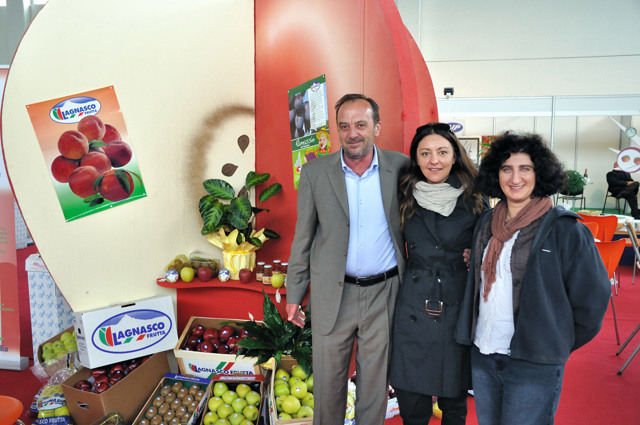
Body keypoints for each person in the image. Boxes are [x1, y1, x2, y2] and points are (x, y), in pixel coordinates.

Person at [455, 132, 611, 425]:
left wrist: (553, 342)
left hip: (533, 362)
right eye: (507, 169)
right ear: (496, 174)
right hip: (484, 352)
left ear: (539, 173)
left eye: (525, 168)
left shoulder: (566, 229)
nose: (515, 178)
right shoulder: (486, 223)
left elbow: (592, 300)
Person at [286, 93, 408, 425]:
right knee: (327, 387)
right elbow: (303, 237)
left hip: (384, 293)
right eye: (344, 126)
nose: (352, 133)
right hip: (332, 294)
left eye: (361, 125)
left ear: (377, 127)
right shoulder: (315, 172)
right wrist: (294, 294)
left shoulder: (401, 167)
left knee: (375, 388)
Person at [390, 122, 486, 425]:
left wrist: (477, 254)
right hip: (413, 300)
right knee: (411, 399)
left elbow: (490, 241)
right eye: (426, 153)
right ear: (416, 159)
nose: (434, 160)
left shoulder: (475, 197)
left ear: (455, 156)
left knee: (454, 400)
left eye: (442, 152)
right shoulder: (402, 194)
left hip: (456, 301)